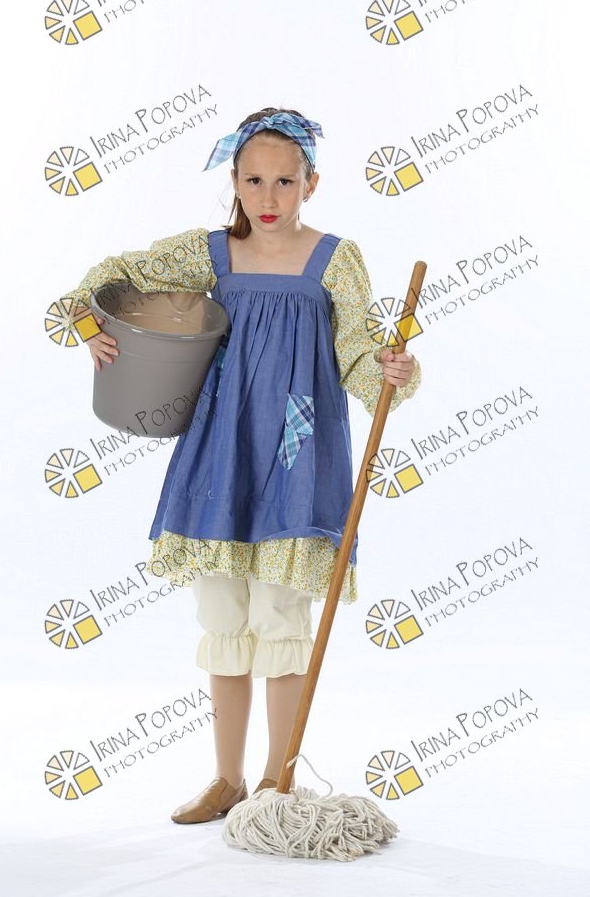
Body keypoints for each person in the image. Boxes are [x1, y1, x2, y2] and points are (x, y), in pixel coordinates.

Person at [61, 107, 422, 825]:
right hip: (220, 452)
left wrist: (389, 373)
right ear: (233, 180)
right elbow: (114, 275)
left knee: (279, 620)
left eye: (284, 181)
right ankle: (225, 779)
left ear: (310, 184)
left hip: (295, 453)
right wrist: (85, 319)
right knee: (223, 616)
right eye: (253, 180)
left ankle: (273, 784)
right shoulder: (212, 254)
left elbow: (354, 356)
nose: (267, 197)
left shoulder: (335, 260)